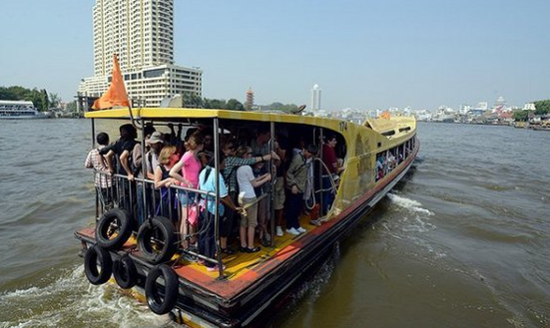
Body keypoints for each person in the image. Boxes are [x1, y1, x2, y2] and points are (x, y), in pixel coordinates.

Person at [198, 154, 243, 271]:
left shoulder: (204, 171)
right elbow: (223, 196)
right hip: (212, 208)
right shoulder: (216, 175)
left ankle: (201, 257)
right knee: (211, 235)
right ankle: (210, 263)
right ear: (219, 163)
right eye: (224, 162)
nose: (225, 164)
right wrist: (234, 207)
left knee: (204, 233)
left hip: (203, 205)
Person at [169, 132, 204, 249]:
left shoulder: (196, 156)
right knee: (185, 218)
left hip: (194, 191)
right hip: (186, 191)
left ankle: (191, 241)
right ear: (199, 145)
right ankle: (185, 245)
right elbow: (172, 171)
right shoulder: (187, 155)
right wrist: (185, 181)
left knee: (192, 218)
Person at [236, 147, 272, 252]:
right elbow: (254, 184)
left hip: (241, 196)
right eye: (250, 154)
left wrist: (263, 176)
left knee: (243, 222)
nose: (252, 156)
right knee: (252, 223)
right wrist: (267, 179)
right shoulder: (247, 167)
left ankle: (243, 244)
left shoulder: (239, 168)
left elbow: (251, 180)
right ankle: (250, 246)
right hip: (250, 196)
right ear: (245, 156)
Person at [101, 124, 138, 213]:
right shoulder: (131, 143)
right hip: (129, 176)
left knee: (125, 198)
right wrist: (129, 173)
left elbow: (108, 155)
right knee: (133, 199)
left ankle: (125, 216)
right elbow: (122, 157)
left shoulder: (118, 142)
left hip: (121, 175)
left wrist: (110, 169)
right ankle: (132, 218)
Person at [285, 143, 317, 235]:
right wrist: (293, 184)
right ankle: (289, 226)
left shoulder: (305, 159)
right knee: (292, 207)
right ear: (305, 150)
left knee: (297, 208)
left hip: (301, 187)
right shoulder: (298, 159)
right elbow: (289, 172)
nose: (310, 155)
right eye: (309, 153)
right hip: (295, 187)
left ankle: (296, 225)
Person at [85, 132, 113, 211]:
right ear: (108, 140)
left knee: (106, 204)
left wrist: (97, 168)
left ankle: (109, 219)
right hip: (112, 181)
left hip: (99, 182)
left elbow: (87, 165)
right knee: (117, 202)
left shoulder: (93, 152)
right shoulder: (111, 150)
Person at [153, 145, 179, 222]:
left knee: (176, 220)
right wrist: (168, 180)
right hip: (165, 198)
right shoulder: (160, 168)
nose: (178, 154)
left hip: (176, 197)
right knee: (166, 220)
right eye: (175, 153)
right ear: (169, 155)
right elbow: (156, 184)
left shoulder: (177, 167)